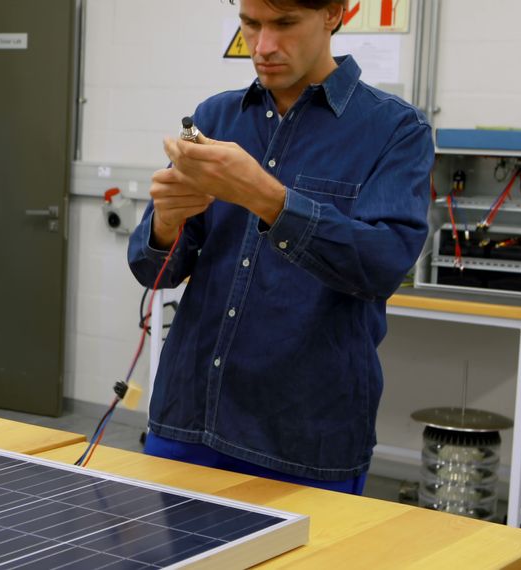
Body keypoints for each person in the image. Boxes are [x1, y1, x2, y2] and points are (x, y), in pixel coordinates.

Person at [128, 0, 433, 494]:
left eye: (285, 24)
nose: (263, 46)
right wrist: (166, 221)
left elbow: (383, 266)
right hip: (189, 418)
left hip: (305, 437)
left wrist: (267, 197)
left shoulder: (396, 130)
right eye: (251, 24)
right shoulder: (216, 116)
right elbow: (152, 272)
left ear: (334, 14)